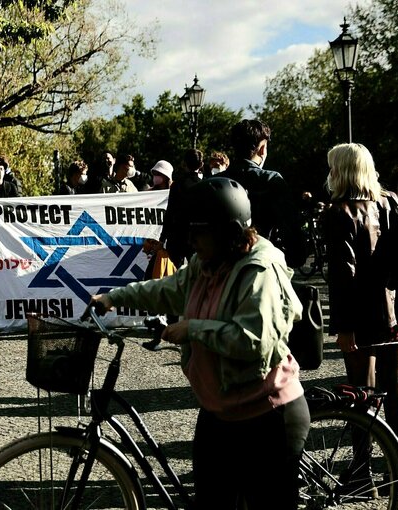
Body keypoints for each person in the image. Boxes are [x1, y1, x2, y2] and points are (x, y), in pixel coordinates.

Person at [90, 177, 308, 509]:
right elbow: (166, 289)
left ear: (228, 232)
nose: (192, 241)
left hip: (267, 416)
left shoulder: (259, 269)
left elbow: (253, 341)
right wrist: (113, 297)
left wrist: (193, 329)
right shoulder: (206, 263)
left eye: (199, 232)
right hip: (221, 412)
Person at [322, 143, 398, 454]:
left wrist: (344, 327)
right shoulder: (391, 202)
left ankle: (363, 471)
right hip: (397, 308)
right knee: (392, 383)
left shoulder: (340, 212)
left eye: (333, 166)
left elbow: (342, 277)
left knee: (361, 391)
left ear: (342, 171)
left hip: (362, 314)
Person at [219, 119, 307, 269]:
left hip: (221, 264)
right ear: (262, 148)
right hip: (260, 262)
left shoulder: (217, 181)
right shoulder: (271, 180)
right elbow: (290, 226)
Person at [159, 148, 204, 266]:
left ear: (184, 163)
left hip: (176, 236)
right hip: (195, 237)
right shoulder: (203, 186)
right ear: (201, 164)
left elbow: (169, 212)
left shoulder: (176, 185)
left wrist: (162, 238)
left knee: (174, 273)